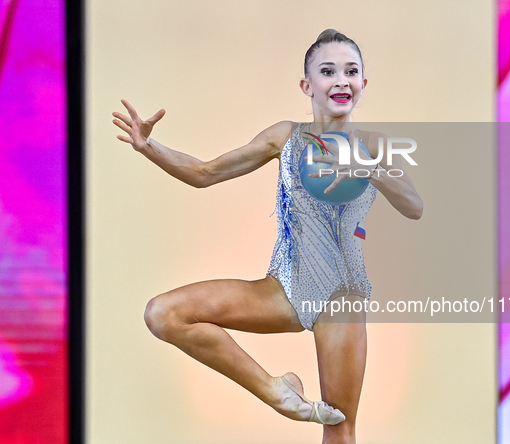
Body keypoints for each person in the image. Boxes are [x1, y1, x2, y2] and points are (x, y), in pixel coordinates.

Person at [112, 29, 423, 444]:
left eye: (351, 71)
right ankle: (277, 392)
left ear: (364, 84)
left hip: (340, 298)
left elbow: (414, 206)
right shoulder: (285, 136)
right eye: (328, 71)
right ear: (306, 85)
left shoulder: (372, 146)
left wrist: (370, 169)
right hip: (283, 288)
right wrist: (150, 147)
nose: (341, 80)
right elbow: (205, 173)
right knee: (162, 313)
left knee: (340, 428)